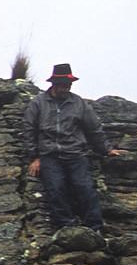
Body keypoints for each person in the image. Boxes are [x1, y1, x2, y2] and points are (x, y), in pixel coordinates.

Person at [22, 63, 123, 231]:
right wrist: (34, 157)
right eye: (63, 84)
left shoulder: (78, 103)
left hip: (76, 154)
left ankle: (94, 226)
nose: (66, 87)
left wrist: (106, 149)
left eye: (68, 84)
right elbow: (29, 129)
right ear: (54, 83)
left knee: (84, 187)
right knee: (56, 188)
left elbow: (93, 128)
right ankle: (65, 227)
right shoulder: (38, 103)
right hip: (49, 155)